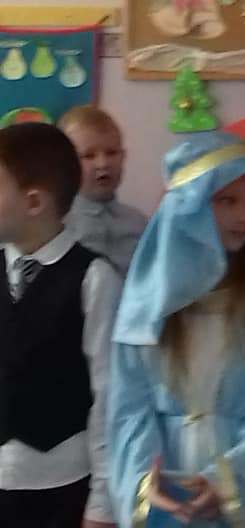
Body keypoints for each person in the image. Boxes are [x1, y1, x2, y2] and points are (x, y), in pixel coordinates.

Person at [107, 132, 245, 527]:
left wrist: (229, 480)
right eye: (227, 201)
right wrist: (144, 480)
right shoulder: (146, 300)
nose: (244, 217)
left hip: (242, 492)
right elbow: (129, 405)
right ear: (188, 207)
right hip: (166, 487)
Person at [0, 122, 120, 528]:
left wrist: (102, 504)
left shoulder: (94, 278)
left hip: (61, 486)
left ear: (34, 201)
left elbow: (108, 396)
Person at [60, 105, 148, 275]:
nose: (103, 164)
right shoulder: (56, 225)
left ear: (123, 157)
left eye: (111, 153)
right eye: (88, 156)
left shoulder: (138, 223)